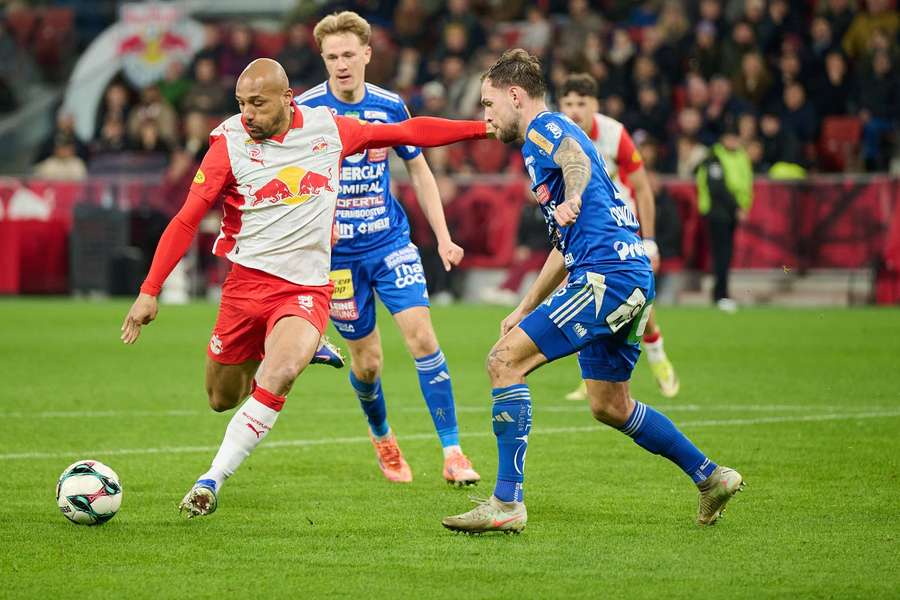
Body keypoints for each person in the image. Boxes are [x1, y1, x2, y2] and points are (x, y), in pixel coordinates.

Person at [119, 58, 488, 518]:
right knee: (221, 398)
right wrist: (150, 290)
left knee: (281, 372)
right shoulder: (228, 143)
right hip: (246, 287)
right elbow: (186, 218)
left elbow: (407, 133)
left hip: (306, 288)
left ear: (286, 98)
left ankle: (210, 480)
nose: (246, 113)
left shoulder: (328, 129)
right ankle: (303, 347)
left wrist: (483, 128)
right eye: (241, 104)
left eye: (256, 103)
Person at [441, 50, 743, 534]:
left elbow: (576, 162)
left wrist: (576, 194)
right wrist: (524, 306)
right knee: (610, 405)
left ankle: (505, 502)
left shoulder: (545, 129)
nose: (486, 115)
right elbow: (563, 249)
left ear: (515, 96)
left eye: (488, 103)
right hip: (627, 276)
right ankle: (711, 477)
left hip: (606, 277)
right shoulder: (550, 138)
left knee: (503, 362)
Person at [295, 11, 480, 486]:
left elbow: (418, 168)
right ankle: (382, 436)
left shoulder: (390, 105)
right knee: (368, 363)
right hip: (338, 260)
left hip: (390, 241)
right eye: (332, 56)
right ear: (323, 58)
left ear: (367, 55)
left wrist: (442, 236)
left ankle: (454, 452)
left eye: (349, 55)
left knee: (422, 338)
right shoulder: (307, 113)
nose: (341, 64)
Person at [558, 73, 679, 399]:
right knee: (588, 297)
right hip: (582, 231)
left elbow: (641, 187)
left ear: (595, 104)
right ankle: (593, 375)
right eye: (568, 103)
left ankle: (657, 355)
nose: (574, 110)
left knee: (635, 299)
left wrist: (650, 240)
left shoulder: (613, 134)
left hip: (620, 227)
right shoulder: (556, 134)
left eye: (581, 103)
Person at [696, 124, 753, 313]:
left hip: (731, 213)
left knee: (725, 254)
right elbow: (717, 188)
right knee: (722, 254)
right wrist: (737, 207)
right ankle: (720, 294)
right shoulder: (715, 158)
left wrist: (743, 206)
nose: (733, 142)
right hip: (718, 212)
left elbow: (745, 183)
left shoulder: (741, 156)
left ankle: (721, 292)